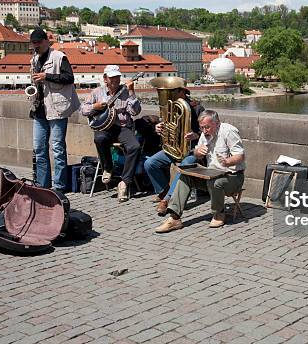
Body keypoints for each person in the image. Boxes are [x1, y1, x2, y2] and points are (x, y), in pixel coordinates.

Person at [155, 110, 245, 233]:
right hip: (212, 174)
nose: (204, 131)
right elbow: (197, 153)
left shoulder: (229, 131)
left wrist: (228, 161)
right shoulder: (204, 134)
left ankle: (219, 214)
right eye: (202, 128)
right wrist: (198, 152)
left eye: (207, 127)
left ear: (217, 123)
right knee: (185, 177)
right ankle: (174, 217)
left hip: (233, 177)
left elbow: (240, 156)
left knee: (216, 182)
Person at [29, 28, 80, 192]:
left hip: (57, 108)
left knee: (57, 148)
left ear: (46, 41)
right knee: (39, 148)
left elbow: (69, 78)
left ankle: (59, 186)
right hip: (40, 109)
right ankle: (43, 185)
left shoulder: (59, 57)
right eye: (33, 44)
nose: (35, 47)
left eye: (37, 43)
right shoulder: (34, 59)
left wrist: (46, 76)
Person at [81, 65, 141, 202]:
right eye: (112, 77)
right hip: (105, 128)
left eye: (117, 77)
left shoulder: (125, 92)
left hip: (123, 128)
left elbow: (135, 112)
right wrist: (94, 107)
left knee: (134, 147)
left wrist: (131, 93)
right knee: (100, 139)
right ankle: (107, 167)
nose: (115, 80)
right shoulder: (97, 92)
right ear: (105, 78)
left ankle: (124, 182)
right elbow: (83, 110)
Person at [143, 86, 204, 215]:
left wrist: (196, 135)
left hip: (193, 150)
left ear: (182, 92)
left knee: (184, 165)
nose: (170, 95)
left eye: (174, 92)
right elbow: (166, 127)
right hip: (174, 148)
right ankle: (165, 190)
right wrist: (159, 128)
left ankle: (167, 199)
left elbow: (207, 133)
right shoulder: (170, 108)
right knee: (150, 163)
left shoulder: (198, 108)